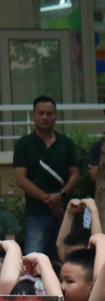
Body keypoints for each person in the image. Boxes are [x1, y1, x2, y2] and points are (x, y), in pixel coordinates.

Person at [12, 95, 79, 257]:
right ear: (34, 115)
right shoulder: (23, 144)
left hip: (65, 212)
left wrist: (60, 195)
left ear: (55, 116)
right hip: (37, 213)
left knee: (69, 256)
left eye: (49, 113)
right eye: (40, 113)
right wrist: (49, 199)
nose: (45, 117)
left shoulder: (66, 143)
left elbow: (75, 174)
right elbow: (21, 180)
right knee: (32, 259)